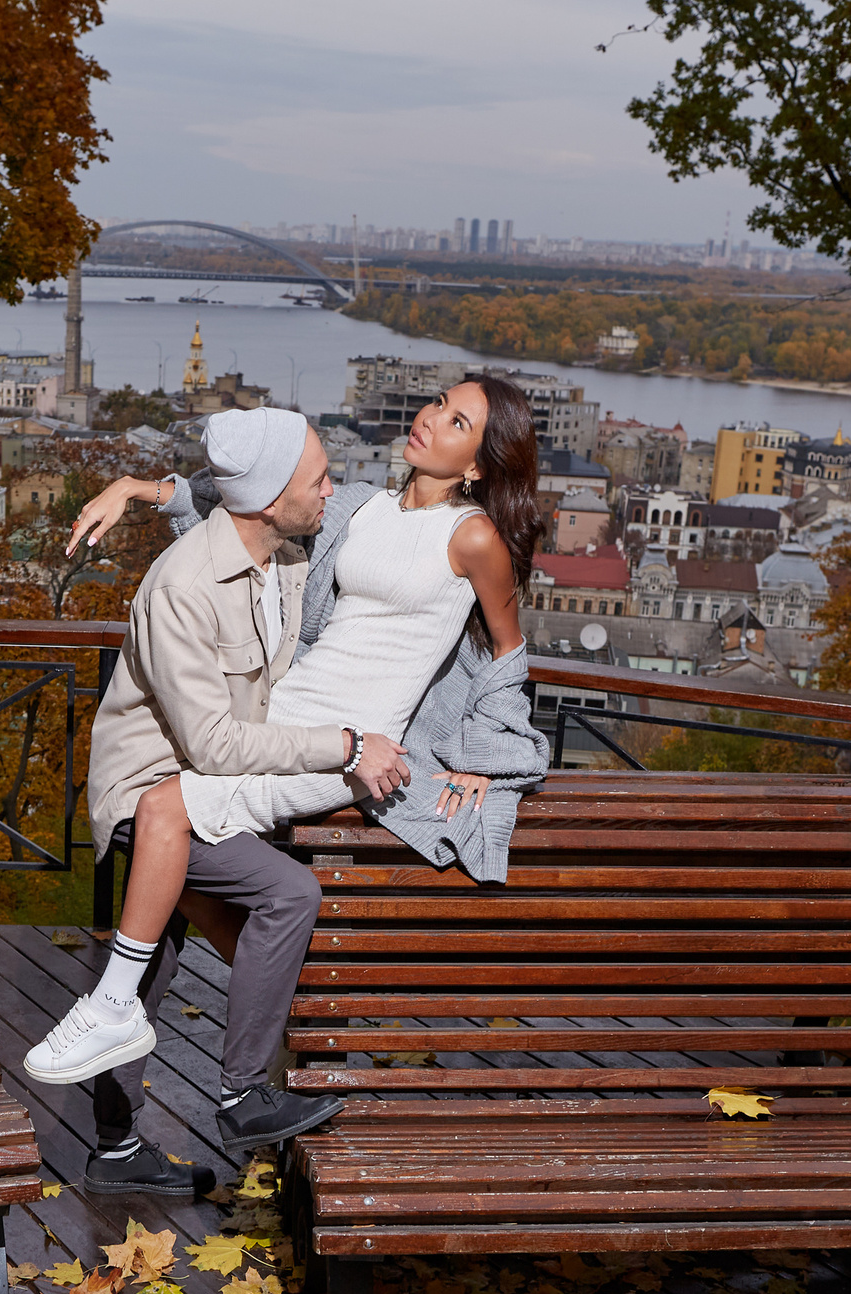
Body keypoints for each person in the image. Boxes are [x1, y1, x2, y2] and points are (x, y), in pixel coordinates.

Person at [29, 381, 548, 1194]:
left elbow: (509, 652)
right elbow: (248, 501)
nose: (429, 418)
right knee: (162, 896)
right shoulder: (363, 509)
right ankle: (126, 1135)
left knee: (164, 809)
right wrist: (140, 487)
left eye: (457, 422)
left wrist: (487, 752)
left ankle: (202, 1077)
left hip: (333, 747)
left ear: (479, 463)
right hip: (284, 718)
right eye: (439, 401)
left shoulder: (475, 536)